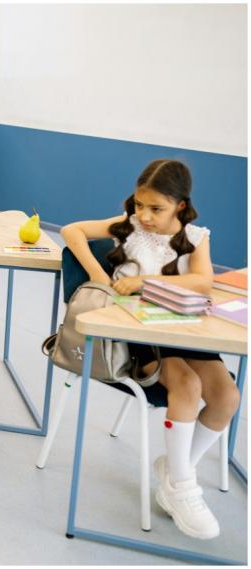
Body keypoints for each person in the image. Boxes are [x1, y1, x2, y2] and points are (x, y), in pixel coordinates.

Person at [60, 158, 239, 540]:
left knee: (227, 395)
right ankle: (184, 489)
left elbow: (204, 281)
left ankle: (176, 473)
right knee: (187, 386)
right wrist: (96, 273)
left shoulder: (196, 237)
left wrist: (144, 281)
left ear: (180, 205)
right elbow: (72, 231)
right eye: (139, 205)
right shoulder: (128, 227)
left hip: (185, 329)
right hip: (137, 335)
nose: (144, 215)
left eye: (155, 208)